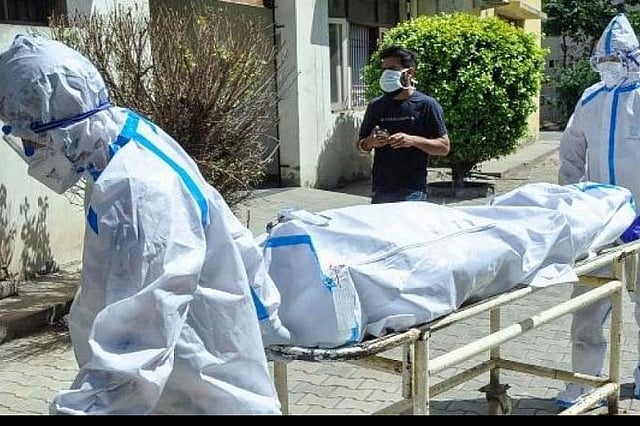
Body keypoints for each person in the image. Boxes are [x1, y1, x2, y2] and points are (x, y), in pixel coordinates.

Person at [0, 35, 287, 414]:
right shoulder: (125, 140)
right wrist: (265, 320)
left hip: (197, 396)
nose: (32, 155)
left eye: (30, 140)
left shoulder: (134, 188)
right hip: (189, 383)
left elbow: (134, 350)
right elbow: (234, 237)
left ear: (56, 128)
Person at [556, 13, 640, 408]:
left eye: (615, 59)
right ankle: (582, 381)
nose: (608, 66)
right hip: (600, 223)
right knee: (586, 307)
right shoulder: (591, 98)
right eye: (602, 60)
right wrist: (572, 200)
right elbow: (571, 151)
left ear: (632, 58)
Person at [357, 45, 450, 204]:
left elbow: (444, 147)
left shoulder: (426, 105)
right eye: (384, 70)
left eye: (392, 69)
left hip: (413, 190)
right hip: (381, 189)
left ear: (409, 73)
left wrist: (412, 140)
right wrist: (370, 142)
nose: (386, 74)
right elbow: (361, 146)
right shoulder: (376, 106)